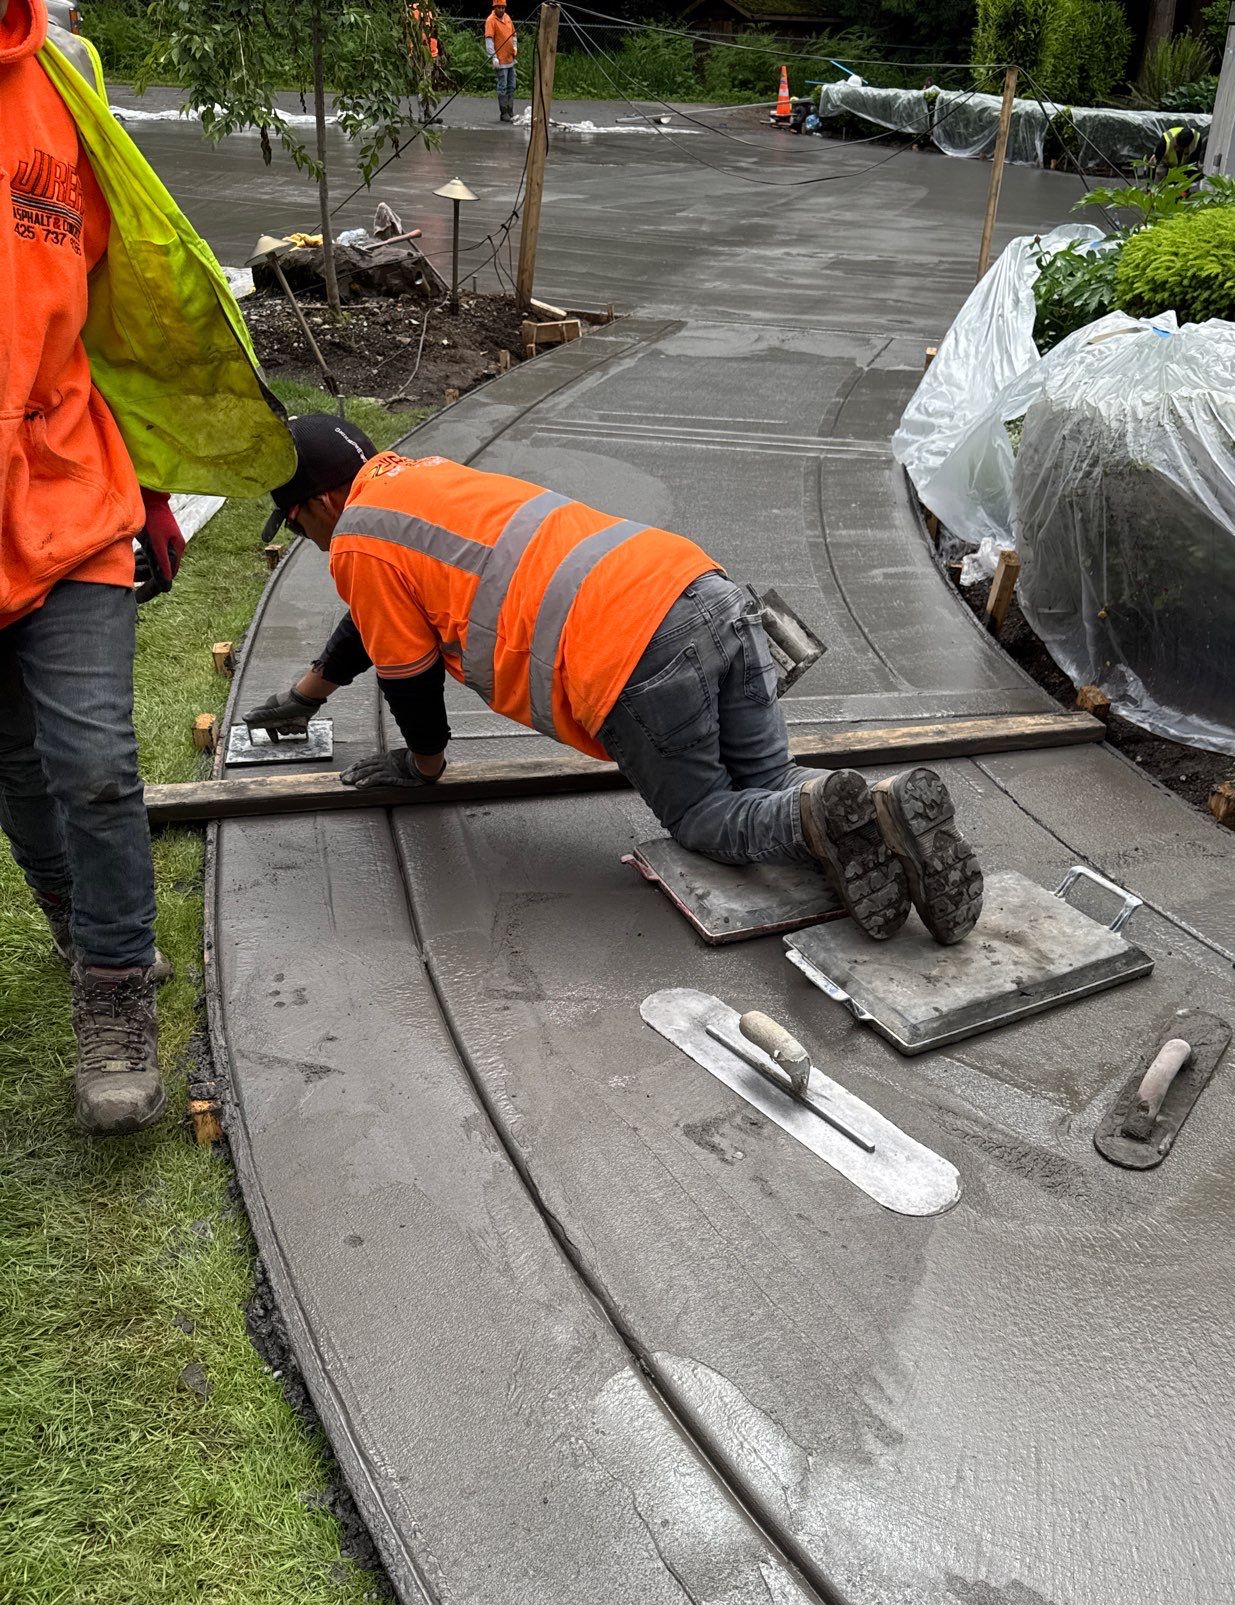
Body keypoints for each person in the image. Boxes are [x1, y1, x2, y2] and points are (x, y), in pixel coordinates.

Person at [244, 416, 984, 946]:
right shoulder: (424, 479)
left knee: (706, 818)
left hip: (637, 654)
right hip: (706, 589)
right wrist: (311, 693)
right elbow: (378, 619)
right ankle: (873, 806)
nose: (311, 542)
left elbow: (407, 675)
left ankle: (813, 820)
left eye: (299, 525)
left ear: (315, 505)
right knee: (772, 777)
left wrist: (423, 765)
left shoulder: (358, 540)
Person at [1, 0, 295, 1132]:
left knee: (93, 760)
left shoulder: (63, 70)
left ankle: (116, 997)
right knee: (19, 771)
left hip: (69, 487)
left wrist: (158, 488)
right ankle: (87, 935)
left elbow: (129, 309)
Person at [484, 0, 517, 124]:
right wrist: (493, 56)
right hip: (500, 60)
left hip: (510, 59)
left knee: (511, 85)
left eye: (503, 7)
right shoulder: (491, 20)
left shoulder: (508, 18)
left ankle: (510, 110)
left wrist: (515, 47)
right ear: (494, 7)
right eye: (499, 7)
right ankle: (504, 112)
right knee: (502, 86)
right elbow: (489, 40)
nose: (501, 10)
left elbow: (514, 35)